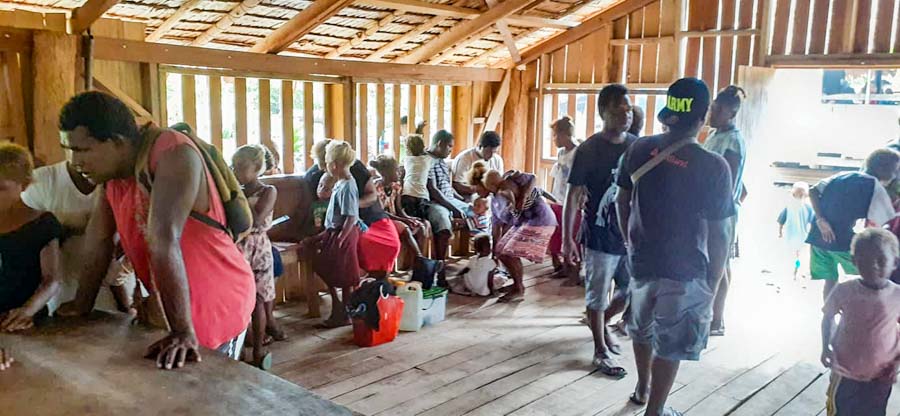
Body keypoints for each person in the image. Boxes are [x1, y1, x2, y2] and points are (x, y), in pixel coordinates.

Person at [57, 92, 255, 369]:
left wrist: (182, 332)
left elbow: (163, 240)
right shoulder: (112, 177)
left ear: (117, 141)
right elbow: (98, 239)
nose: (74, 162)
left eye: (82, 150)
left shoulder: (174, 153)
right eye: (69, 150)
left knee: (212, 401)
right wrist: (82, 304)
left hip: (216, 303)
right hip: (177, 314)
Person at [616, 78, 735, 416]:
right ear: (703, 117)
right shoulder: (713, 166)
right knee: (671, 339)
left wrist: (629, 239)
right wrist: (713, 282)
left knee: (641, 326)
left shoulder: (639, 149)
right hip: (685, 268)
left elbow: (621, 200)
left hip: (641, 259)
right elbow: (719, 233)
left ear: (669, 112)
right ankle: (655, 409)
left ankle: (642, 386)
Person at [563, 84, 637, 377]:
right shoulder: (589, 150)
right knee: (596, 295)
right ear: (604, 111)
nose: (626, 114)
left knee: (630, 289)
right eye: (620, 108)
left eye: (629, 108)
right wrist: (568, 239)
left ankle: (602, 324)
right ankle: (600, 349)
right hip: (598, 234)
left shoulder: (636, 146)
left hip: (629, 235)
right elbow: (573, 195)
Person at [20, 157, 133, 314]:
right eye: (74, 148)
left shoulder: (125, 180)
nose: (79, 156)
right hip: (63, 297)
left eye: (86, 149)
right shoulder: (41, 182)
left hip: (123, 289)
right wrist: (63, 226)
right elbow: (29, 246)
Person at [821, 228, 900, 416]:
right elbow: (828, 317)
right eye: (864, 260)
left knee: (875, 411)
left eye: (881, 260)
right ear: (854, 262)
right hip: (845, 370)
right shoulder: (844, 290)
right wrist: (826, 347)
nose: (872, 266)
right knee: (842, 410)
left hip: (882, 375)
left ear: (895, 263)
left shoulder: (897, 295)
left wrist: (896, 363)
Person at [807, 148, 898, 301]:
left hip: (818, 238)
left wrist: (820, 219)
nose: (896, 175)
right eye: (896, 170)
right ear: (886, 171)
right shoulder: (875, 187)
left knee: (830, 281)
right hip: (843, 243)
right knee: (868, 278)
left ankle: (828, 318)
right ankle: (856, 314)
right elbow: (886, 223)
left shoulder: (843, 175)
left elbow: (813, 190)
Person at [0, 143, 63, 332]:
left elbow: (52, 280)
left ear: (24, 185)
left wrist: (27, 310)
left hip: (27, 321)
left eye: (0, 188)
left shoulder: (42, 224)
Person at [471, 166, 556, 303]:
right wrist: (494, 251)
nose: (475, 191)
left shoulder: (507, 183)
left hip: (538, 219)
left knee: (507, 252)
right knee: (501, 251)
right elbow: (496, 226)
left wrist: (520, 199)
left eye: (477, 188)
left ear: (486, 184)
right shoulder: (494, 201)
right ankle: (517, 285)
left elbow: (531, 178)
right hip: (524, 222)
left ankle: (518, 288)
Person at [232, 145, 283, 370]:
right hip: (238, 247)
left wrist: (235, 194)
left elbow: (254, 217)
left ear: (258, 168)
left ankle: (259, 349)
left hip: (258, 247)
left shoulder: (268, 191)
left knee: (259, 299)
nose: (236, 171)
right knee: (239, 298)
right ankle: (241, 344)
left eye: (242, 167)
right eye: (234, 167)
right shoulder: (237, 190)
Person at [704, 85, 748, 337]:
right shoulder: (714, 135)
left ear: (731, 112)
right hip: (713, 209)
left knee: (718, 265)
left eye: (718, 109)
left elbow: (728, 181)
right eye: (712, 107)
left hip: (719, 211)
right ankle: (715, 317)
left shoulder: (732, 141)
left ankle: (716, 318)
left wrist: (725, 206)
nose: (712, 112)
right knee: (721, 264)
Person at [302, 141, 361, 328]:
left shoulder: (347, 186)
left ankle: (343, 312)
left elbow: (351, 217)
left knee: (342, 275)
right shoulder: (340, 183)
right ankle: (340, 309)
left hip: (343, 234)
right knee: (332, 271)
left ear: (334, 164)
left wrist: (340, 240)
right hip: (334, 233)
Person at [403, 130, 471, 282]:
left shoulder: (440, 161)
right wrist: (454, 208)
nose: (450, 151)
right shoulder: (425, 160)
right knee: (443, 221)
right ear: (440, 144)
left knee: (477, 212)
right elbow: (433, 191)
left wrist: (463, 201)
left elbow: (448, 187)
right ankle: (440, 269)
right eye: (449, 147)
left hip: (449, 199)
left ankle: (480, 265)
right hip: (432, 202)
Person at [370, 155, 431, 263]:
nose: (399, 172)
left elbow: (399, 208)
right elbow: (382, 212)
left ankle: (417, 266)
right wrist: (403, 220)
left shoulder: (396, 186)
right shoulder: (376, 187)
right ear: (385, 173)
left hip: (395, 218)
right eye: (396, 170)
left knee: (422, 225)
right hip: (382, 220)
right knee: (405, 228)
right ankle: (421, 261)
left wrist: (409, 218)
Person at [778, 182, 815, 279]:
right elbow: (813, 222)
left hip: (793, 235)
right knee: (798, 255)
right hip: (801, 236)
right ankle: (796, 269)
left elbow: (781, 220)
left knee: (795, 255)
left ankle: (795, 270)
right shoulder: (808, 208)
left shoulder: (790, 206)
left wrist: (780, 231)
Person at [451, 131, 504, 199]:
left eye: (494, 152)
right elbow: (456, 185)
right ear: (480, 146)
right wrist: (476, 189)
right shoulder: (464, 158)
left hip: (492, 197)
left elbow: (500, 182)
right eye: (488, 152)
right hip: (468, 197)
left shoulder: (497, 159)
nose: (491, 156)